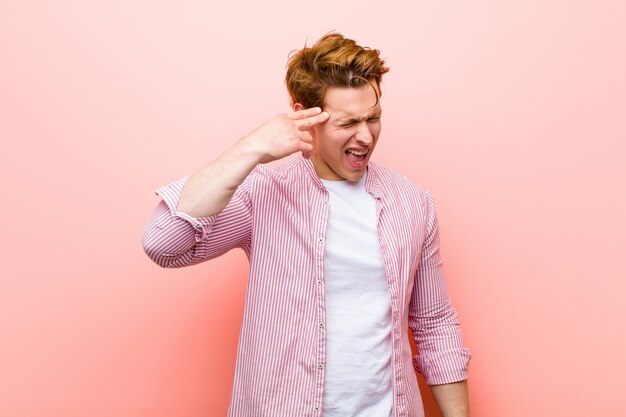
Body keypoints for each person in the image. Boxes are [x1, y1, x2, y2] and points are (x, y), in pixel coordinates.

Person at [143, 33, 471, 417]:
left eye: (374, 118)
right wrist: (251, 148)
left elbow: (435, 324)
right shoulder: (263, 194)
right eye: (348, 122)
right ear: (304, 117)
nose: (365, 136)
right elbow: (164, 245)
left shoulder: (412, 202)